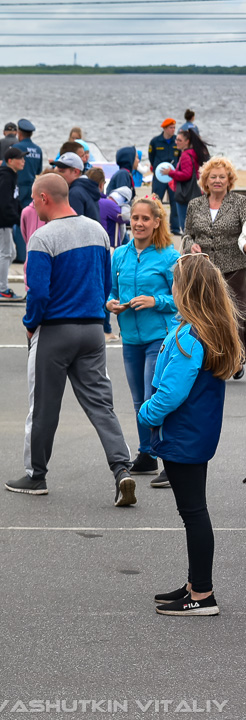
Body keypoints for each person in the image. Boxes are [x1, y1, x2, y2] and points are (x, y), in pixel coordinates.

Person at [5, 172, 136, 506]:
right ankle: (122, 469)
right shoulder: (97, 230)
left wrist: (30, 324)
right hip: (92, 329)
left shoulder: (42, 237)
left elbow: (38, 292)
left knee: (44, 408)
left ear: (45, 198)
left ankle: (36, 476)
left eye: (35, 199)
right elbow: (104, 281)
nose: (33, 205)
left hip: (56, 330)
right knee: (101, 405)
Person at [139, 253, 240, 616]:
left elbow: (170, 393)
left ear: (187, 289)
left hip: (182, 436)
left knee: (194, 514)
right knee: (195, 512)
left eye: (175, 282)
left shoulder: (187, 336)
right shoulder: (210, 329)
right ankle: (195, 583)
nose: (172, 287)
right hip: (198, 435)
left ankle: (202, 595)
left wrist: (144, 412)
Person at [107, 196, 179, 489]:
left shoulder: (168, 256)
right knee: (139, 401)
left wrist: (155, 300)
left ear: (157, 223)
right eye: (135, 218)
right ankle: (146, 453)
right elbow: (111, 290)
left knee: (154, 398)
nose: (138, 223)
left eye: (145, 219)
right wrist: (110, 304)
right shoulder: (120, 255)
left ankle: (170, 460)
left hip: (159, 337)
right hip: (130, 338)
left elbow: (181, 298)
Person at [181, 156, 246, 375]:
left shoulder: (240, 203)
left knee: (235, 315)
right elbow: (187, 234)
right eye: (213, 177)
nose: (217, 180)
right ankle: (211, 355)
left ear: (229, 180)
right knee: (206, 313)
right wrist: (192, 246)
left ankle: (237, 357)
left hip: (234, 268)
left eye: (222, 176)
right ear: (205, 181)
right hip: (204, 269)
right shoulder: (195, 204)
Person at [0, 147, 24, 299]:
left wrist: (21, 215)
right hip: (0, 222)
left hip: (4, 222)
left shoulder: (11, 175)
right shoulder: (5, 177)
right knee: (6, 253)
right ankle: (2, 289)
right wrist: (15, 218)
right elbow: (4, 202)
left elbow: (14, 200)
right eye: (20, 158)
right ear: (10, 161)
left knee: (11, 253)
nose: (23, 161)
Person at [168, 128, 210, 234]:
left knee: (185, 225)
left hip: (185, 194)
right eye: (176, 139)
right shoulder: (195, 153)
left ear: (187, 142)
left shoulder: (186, 155)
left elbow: (187, 175)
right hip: (196, 191)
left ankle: (187, 247)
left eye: (179, 140)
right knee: (195, 223)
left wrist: (171, 173)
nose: (176, 142)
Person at [49, 151, 100, 223]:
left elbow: (74, 224)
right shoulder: (87, 188)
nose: (58, 175)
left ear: (76, 172)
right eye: (57, 171)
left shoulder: (75, 193)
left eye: (62, 171)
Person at [148, 118, 179, 215]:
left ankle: (175, 227)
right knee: (156, 201)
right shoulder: (155, 141)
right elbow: (151, 156)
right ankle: (156, 225)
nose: (173, 130)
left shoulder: (177, 140)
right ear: (165, 128)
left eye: (174, 127)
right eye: (171, 128)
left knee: (175, 201)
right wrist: (156, 166)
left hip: (173, 175)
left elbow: (181, 156)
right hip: (159, 175)